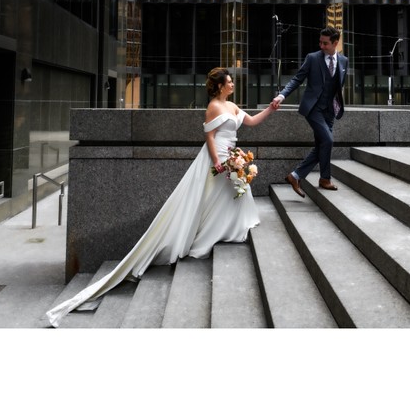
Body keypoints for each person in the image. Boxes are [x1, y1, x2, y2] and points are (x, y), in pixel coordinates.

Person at [46, 67, 274, 327]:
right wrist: (217, 162)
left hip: (231, 154)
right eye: (230, 82)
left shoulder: (232, 106)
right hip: (219, 157)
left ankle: (229, 227)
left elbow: (253, 121)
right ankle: (211, 233)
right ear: (220, 86)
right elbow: (209, 137)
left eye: (232, 82)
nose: (233, 85)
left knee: (231, 194)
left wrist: (271, 109)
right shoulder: (213, 107)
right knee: (212, 197)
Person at [270, 26, 348, 197]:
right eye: (320, 42)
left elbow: (338, 86)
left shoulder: (344, 61)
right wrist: (281, 96)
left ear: (335, 43)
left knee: (321, 144)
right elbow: (297, 79)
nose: (321, 46)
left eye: (325, 43)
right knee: (327, 140)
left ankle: (302, 177)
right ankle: (319, 178)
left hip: (330, 111)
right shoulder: (312, 58)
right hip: (313, 109)